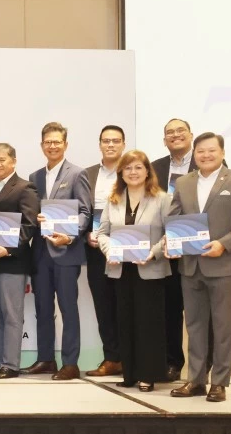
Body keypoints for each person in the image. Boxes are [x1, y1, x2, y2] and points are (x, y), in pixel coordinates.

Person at [168, 132, 231, 403]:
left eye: (211, 151)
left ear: (221, 152)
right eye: (200, 152)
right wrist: (172, 241)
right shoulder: (183, 182)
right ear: (194, 154)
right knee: (194, 325)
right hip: (190, 265)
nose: (205, 155)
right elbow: (173, 216)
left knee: (222, 326)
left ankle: (219, 382)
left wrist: (224, 243)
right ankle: (195, 379)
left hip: (223, 265)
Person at [96, 150, 172, 392]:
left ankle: (148, 375)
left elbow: (171, 234)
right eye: (128, 168)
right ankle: (129, 374)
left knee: (148, 323)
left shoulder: (162, 199)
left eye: (138, 167)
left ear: (147, 171)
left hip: (149, 269)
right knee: (125, 321)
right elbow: (102, 233)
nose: (133, 172)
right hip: (120, 270)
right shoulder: (114, 199)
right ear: (121, 173)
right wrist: (110, 252)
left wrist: (154, 252)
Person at [24, 122, 91, 380]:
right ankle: (45, 359)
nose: (52, 146)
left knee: (68, 308)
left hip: (66, 253)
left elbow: (85, 212)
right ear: (42, 145)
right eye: (48, 142)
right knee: (42, 307)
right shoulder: (34, 177)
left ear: (65, 144)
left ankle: (71, 363)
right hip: (40, 253)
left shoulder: (77, 174)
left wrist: (70, 236)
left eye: (57, 142)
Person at [0, 143, 39, 379]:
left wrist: (9, 249)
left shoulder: (25, 188)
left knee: (11, 314)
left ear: (13, 161)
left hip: (11, 261)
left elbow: (29, 225)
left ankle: (10, 365)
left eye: (2, 160)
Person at [150, 118, 203, 382]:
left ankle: (200, 369)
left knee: (198, 312)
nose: (175, 135)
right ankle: (172, 362)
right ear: (164, 140)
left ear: (191, 135)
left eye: (180, 131)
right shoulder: (156, 168)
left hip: (197, 249)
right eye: (169, 132)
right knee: (169, 309)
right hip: (166, 248)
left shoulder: (206, 161)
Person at [83, 125, 126, 378]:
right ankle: (112, 358)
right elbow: (83, 210)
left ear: (123, 143)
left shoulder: (134, 169)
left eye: (116, 141)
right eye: (106, 141)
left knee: (126, 303)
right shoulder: (87, 174)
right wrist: (85, 233)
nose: (110, 145)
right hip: (95, 247)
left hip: (126, 248)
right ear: (99, 144)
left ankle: (130, 358)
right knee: (103, 304)